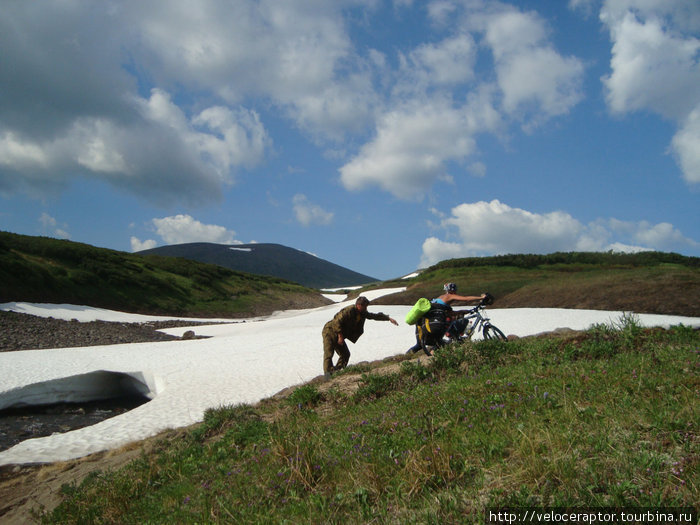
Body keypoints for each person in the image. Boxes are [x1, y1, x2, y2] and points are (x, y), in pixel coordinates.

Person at [322, 296, 398, 375]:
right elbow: (336, 322)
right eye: (365, 306)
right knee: (329, 353)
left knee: (345, 354)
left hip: (339, 334)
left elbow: (373, 316)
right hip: (330, 331)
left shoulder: (362, 313)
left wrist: (388, 318)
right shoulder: (349, 310)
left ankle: (337, 372)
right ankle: (327, 375)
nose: (366, 308)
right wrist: (340, 336)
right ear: (359, 305)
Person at [407, 283, 485, 355]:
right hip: (435, 323)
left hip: (423, 322)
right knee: (440, 342)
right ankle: (432, 355)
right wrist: (481, 297)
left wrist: (462, 311)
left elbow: (449, 313)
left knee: (419, 345)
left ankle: (407, 356)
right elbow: (466, 299)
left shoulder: (438, 299)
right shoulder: (449, 296)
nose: (455, 292)